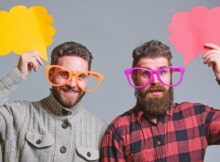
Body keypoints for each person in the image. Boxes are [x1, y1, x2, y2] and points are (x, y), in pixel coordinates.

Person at [100, 40, 220, 162]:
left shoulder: (197, 116)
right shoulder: (119, 131)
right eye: (146, 73)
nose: (155, 81)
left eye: (162, 72)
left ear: (171, 75)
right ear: (134, 77)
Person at [0, 41, 108, 162]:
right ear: (51, 75)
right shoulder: (17, 115)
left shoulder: (101, 131)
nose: (72, 84)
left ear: (87, 80)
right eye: (64, 74)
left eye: (80, 77)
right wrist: (17, 75)